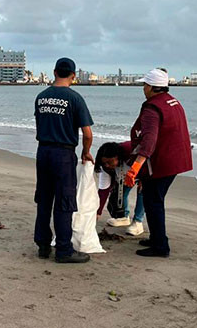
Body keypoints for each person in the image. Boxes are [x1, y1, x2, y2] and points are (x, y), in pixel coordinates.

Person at [125, 68, 192, 257]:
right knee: (155, 199)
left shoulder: (152, 107)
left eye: (145, 85)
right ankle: (156, 237)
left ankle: (160, 246)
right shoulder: (173, 101)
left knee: (153, 201)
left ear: (152, 87)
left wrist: (137, 165)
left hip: (162, 162)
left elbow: (149, 138)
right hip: (178, 159)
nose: (143, 88)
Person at [34, 57, 94, 264]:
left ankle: (42, 245)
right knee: (64, 201)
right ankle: (63, 249)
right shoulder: (75, 98)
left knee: (44, 199)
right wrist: (86, 152)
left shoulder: (41, 97)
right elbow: (87, 133)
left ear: (54, 72)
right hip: (63, 154)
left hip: (43, 152)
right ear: (73, 76)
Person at [95, 141, 146, 236]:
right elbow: (103, 191)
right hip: (125, 175)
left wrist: (144, 179)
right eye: (104, 163)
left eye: (109, 162)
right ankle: (124, 217)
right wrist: (98, 212)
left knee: (143, 190)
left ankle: (137, 222)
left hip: (144, 167)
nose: (107, 165)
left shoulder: (130, 151)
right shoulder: (105, 167)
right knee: (121, 191)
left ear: (117, 157)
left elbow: (147, 155)